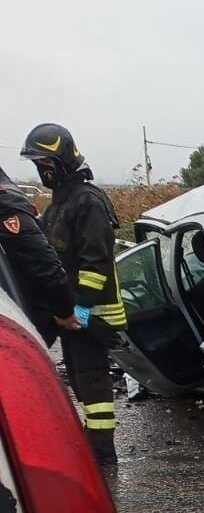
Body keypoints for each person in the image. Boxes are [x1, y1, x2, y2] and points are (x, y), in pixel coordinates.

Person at [20, 122, 127, 465]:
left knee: (93, 384)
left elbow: (94, 264)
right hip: (70, 314)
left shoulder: (88, 203)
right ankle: (90, 442)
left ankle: (102, 457)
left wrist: (79, 310)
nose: (42, 172)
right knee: (80, 380)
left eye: (46, 165)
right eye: (38, 166)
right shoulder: (58, 206)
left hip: (91, 314)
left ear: (63, 161)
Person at [0, 166, 82, 332]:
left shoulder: (7, 204)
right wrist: (65, 310)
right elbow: (42, 261)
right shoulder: (8, 203)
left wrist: (64, 309)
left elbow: (42, 261)